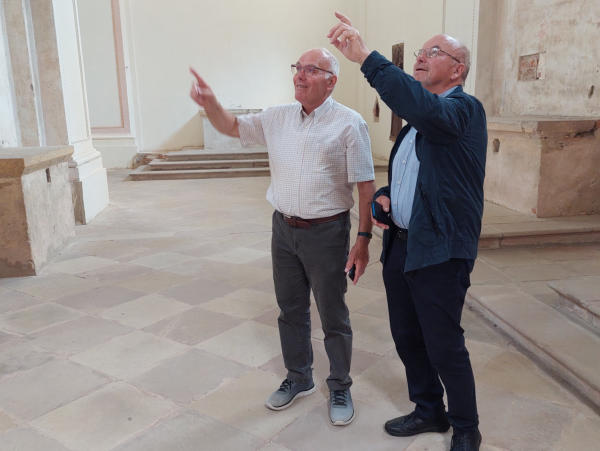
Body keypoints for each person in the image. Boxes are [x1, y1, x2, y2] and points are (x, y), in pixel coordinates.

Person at [189, 48, 376, 426]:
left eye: (311, 70)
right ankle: (299, 376)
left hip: (327, 233)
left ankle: (340, 384)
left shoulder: (349, 123)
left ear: (331, 81)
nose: (299, 75)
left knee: (332, 313)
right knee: (290, 309)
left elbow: (365, 186)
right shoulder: (277, 117)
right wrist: (211, 104)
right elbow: (231, 126)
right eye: (297, 68)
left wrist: (363, 240)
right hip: (284, 229)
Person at [328, 12, 486, 451]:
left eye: (434, 52)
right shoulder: (418, 123)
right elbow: (412, 177)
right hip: (402, 243)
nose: (421, 57)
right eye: (421, 51)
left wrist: (365, 57)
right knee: (407, 335)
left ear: (457, 69)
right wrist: (384, 196)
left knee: (443, 342)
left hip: (440, 249)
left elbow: (425, 109)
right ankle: (428, 408)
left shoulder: (463, 110)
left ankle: (467, 428)